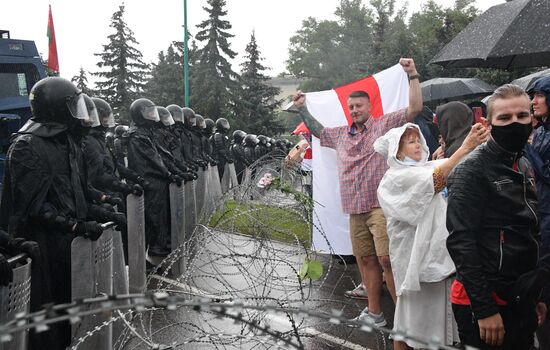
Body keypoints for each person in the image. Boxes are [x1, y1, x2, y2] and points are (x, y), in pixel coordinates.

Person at [289, 58, 423, 326]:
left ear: (369, 106)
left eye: (358, 105)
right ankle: (375, 313)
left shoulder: (384, 125)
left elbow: (414, 109)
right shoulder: (339, 135)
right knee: (366, 260)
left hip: (379, 206)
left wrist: (413, 75)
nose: (354, 110)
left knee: (387, 259)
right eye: (351, 107)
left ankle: (407, 321)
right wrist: (303, 110)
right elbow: (317, 130)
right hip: (354, 209)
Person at [446, 84, 547, 349]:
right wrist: (484, 309)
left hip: (519, 294)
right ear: (489, 123)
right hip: (484, 301)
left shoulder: (523, 163)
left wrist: (535, 295)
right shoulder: (470, 171)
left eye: (521, 116)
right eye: (504, 118)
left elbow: (528, 230)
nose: (515, 123)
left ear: (532, 119)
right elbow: (461, 242)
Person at [374, 122, 488, 348]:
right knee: (408, 326)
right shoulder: (395, 177)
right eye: (410, 141)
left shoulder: (426, 167)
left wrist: (482, 140)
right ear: (396, 150)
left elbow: (455, 165)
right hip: (415, 262)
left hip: (439, 257)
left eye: (418, 140)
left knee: (434, 327)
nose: (417, 144)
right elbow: (437, 180)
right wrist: (466, 147)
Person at [525, 76, 550, 349]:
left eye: (539, 95)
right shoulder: (541, 130)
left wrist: (527, 148)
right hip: (539, 212)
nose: (534, 102)